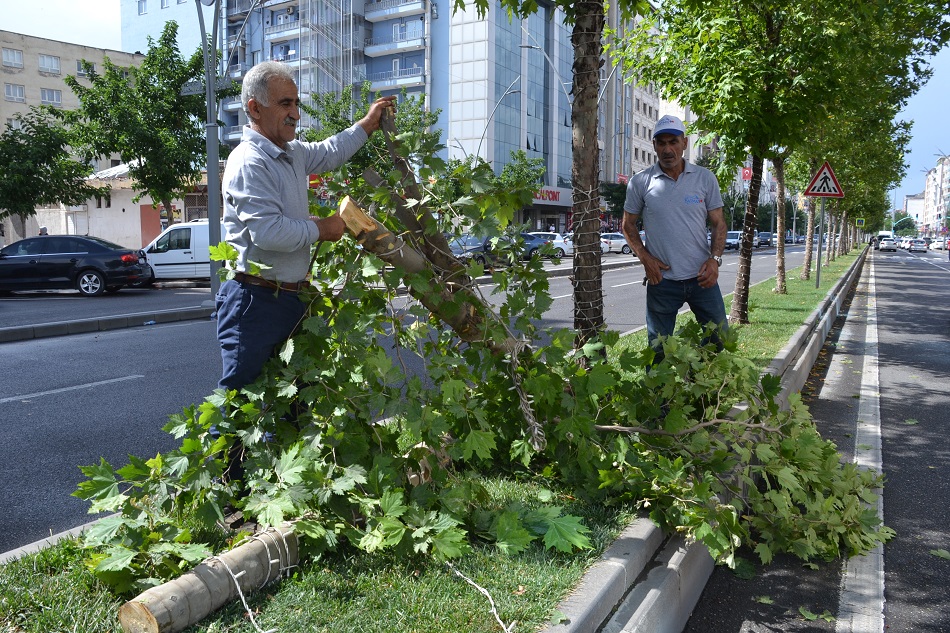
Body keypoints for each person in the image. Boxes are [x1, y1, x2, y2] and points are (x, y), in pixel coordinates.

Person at [217, 61, 396, 391]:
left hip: (288, 297)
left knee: (291, 404)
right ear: (255, 109)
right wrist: (321, 229)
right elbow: (268, 233)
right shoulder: (249, 161)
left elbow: (330, 152)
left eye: (296, 103)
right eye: (286, 103)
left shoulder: (291, 152)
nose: (296, 114)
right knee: (242, 406)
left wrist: (368, 124)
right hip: (255, 299)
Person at [621, 114, 728, 362]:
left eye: (673, 142)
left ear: (685, 143)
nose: (667, 149)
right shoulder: (641, 182)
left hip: (702, 279)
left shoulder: (705, 178)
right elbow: (628, 224)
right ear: (654, 145)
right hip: (662, 282)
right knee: (658, 351)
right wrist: (646, 259)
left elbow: (719, 222)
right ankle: (660, 401)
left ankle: (700, 387)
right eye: (661, 143)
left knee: (719, 338)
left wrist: (715, 260)